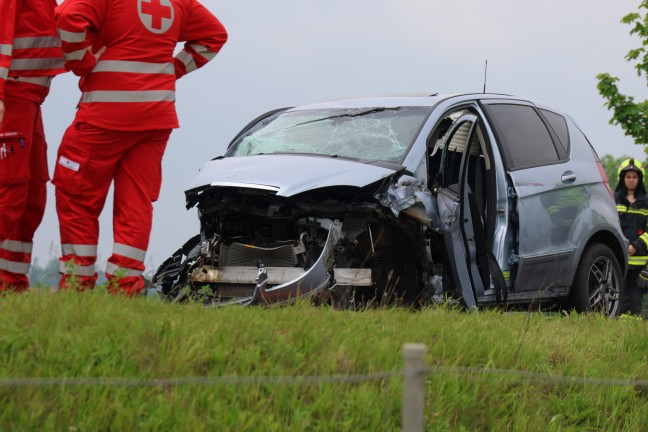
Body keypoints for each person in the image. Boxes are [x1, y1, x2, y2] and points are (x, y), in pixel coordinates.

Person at [54, 0, 228, 294]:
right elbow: (215, 35)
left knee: (77, 197)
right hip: (155, 118)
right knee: (135, 203)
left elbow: (69, 16)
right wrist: (174, 68)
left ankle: (76, 285)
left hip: (104, 117)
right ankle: (125, 285)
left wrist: (80, 62)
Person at [0, 0, 66, 292]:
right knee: (9, 192)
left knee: (31, 196)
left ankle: (10, 285)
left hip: (28, 98)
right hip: (10, 96)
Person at [615, 158, 648, 316]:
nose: (631, 180)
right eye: (628, 177)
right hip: (618, 263)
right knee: (616, 305)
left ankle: (632, 336)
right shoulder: (613, 200)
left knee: (635, 307)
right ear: (622, 178)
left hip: (639, 267)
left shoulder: (646, 203)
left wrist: (636, 246)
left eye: (634, 177)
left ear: (640, 179)